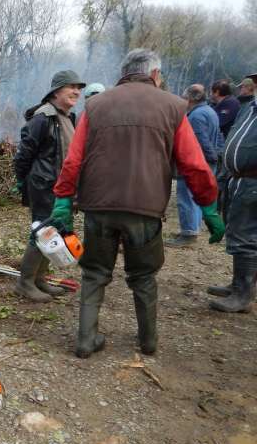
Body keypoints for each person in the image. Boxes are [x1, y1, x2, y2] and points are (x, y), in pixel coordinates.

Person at [49, 49, 223, 358]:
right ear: (155, 74)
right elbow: (194, 164)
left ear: (124, 72)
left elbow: (73, 160)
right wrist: (208, 206)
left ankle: (85, 341)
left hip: (99, 208)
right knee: (143, 276)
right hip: (145, 209)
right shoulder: (173, 106)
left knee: (94, 274)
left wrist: (63, 200)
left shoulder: (96, 105)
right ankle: (148, 342)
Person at [12, 70, 86, 301]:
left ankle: (39, 279)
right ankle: (25, 283)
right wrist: (22, 180)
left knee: (54, 233)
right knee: (43, 232)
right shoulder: (42, 118)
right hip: (43, 185)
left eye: (78, 88)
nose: (76, 92)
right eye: (70, 87)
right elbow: (23, 154)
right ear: (56, 91)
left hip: (60, 187)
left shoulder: (67, 117)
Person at [207, 70, 257, 313]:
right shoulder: (250, 108)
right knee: (239, 232)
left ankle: (242, 294)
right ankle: (239, 285)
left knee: (245, 237)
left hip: (253, 182)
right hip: (239, 180)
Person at [166, 84, 223, 247]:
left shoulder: (196, 116)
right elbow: (219, 136)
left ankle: (189, 234)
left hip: (196, 163)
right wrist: (217, 156)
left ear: (190, 98)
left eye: (184, 98)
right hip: (207, 162)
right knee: (196, 197)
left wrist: (210, 157)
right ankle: (192, 229)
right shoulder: (210, 111)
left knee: (186, 197)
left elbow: (199, 142)